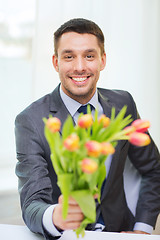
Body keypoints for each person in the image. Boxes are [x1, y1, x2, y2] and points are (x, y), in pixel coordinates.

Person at [15, 18, 160, 240]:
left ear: (102, 60)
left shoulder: (123, 104)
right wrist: (55, 216)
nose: (80, 66)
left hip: (120, 232)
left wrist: (142, 228)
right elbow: (32, 203)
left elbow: (153, 169)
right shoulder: (30, 121)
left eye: (89, 56)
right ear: (56, 63)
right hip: (66, 236)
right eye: (69, 56)